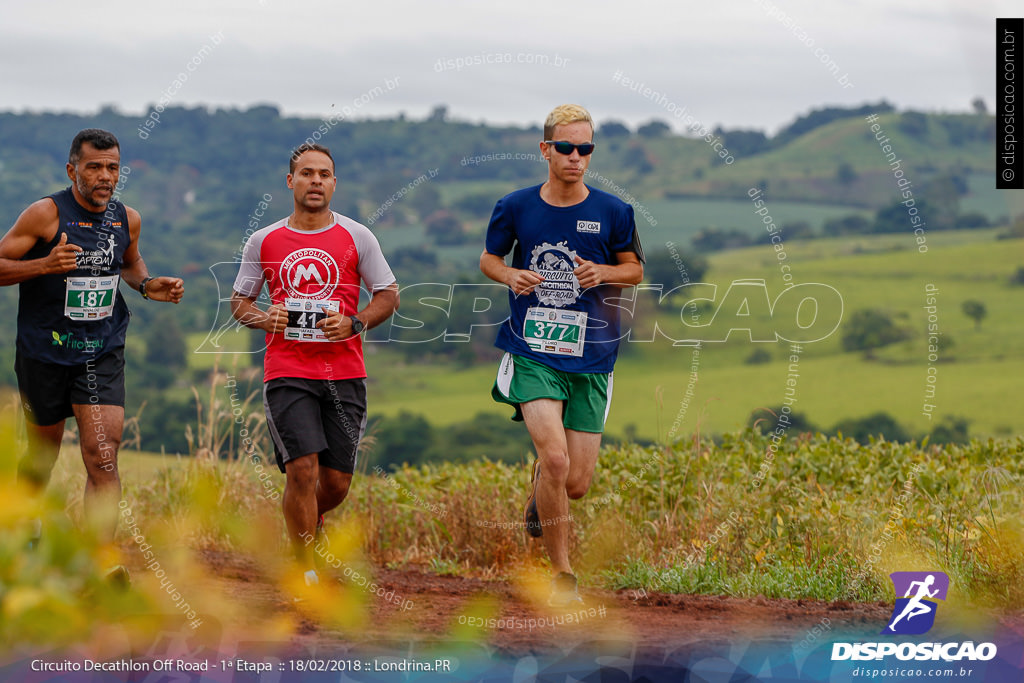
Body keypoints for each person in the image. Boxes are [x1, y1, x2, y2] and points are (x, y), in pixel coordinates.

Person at [480, 104, 644, 606]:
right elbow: (489, 257)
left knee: (574, 483)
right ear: (546, 149)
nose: (577, 157)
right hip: (533, 349)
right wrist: (510, 274)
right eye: (567, 148)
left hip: (593, 356)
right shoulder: (515, 206)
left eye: (586, 149)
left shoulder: (615, 212)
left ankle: (540, 490)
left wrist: (604, 273)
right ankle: (563, 574)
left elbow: (634, 269)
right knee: (554, 459)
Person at [0, 128, 185, 569]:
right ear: (73, 170)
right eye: (95, 167)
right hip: (44, 352)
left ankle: (97, 562)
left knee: (102, 455)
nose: (105, 176)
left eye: (113, 168)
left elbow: (129, 261)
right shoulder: (45, 214)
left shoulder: (127, 218)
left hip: (100, 350)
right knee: (41, 455)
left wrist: (146, 284)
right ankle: (22, 529)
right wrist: (44, 264)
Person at [231, 143, 399, 587]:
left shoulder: (357, 236)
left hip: (344, 372)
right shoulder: (263, 240)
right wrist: (266, 318)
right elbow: (239, 302)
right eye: (307, 174)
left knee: (337, 483)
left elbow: (388, 294)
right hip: (287, 371)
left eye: (324, 174)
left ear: (334, 182)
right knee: (301, 470)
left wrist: (356, 322)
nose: (316, 181)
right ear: (291, 181)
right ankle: (303, 567)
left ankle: (308, 522)